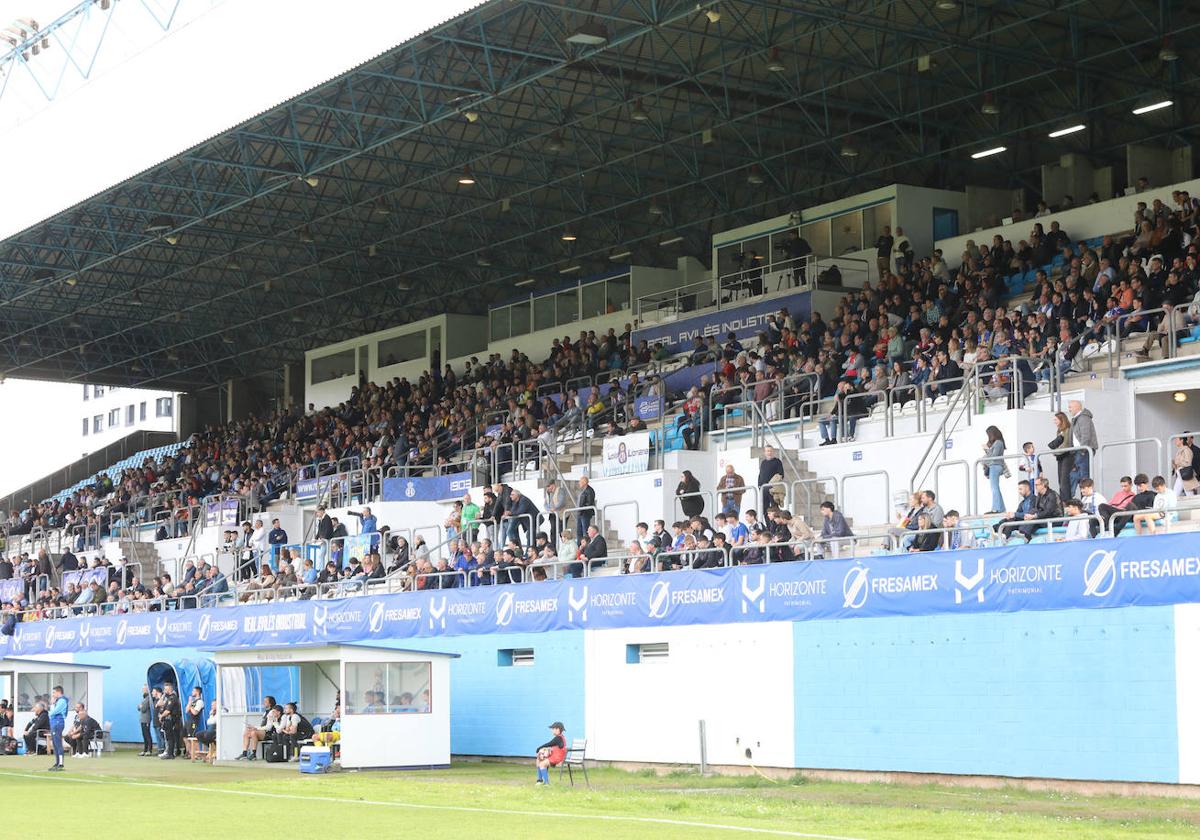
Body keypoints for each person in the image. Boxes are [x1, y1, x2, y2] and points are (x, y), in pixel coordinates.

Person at [239, 694, 277, 760]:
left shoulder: (272, 712)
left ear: (270, 703)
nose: (263, 703)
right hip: (263, 732)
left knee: (253, 733)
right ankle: (244, 753)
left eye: (265, 701)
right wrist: (254, 727)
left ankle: (254, 754)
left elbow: (269, 727)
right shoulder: (265, 713)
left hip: (270, 733)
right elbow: (262, 725)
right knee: (247, 732)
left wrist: (256, 728)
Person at [981, 426, 1007, 513]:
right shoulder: (998, 443)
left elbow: (994, 456)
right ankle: (1001, 507)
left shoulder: (998, 442)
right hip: (995, 465)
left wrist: (987, 451)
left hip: (995, 466)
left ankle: (996, 508)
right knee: (995, 488)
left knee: (994, 488)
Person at [535, 721, 567, 785]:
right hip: (555, 756)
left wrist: (538, 748)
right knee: (538, 760)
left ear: (557, 729)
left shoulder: (558, 738)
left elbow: (549, 744)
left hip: (557, 758)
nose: (552, 730)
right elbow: (556, 746)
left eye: (553, 729)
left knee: (542, 764)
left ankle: (547, 783)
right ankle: (540, 780)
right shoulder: (560, 737)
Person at [757, 445, 784, 512]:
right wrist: (759, 486)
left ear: (773, 452)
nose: (769, 452)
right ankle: (768, 523)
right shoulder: (763, 462)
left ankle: (776, 522)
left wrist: (772, 484)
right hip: (763, 488)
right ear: (765, 452)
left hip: (773, 489)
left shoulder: (777, 461)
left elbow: (781, 474)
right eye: (767, 451)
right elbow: (760, 475)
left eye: (770, 451)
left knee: (775, 508)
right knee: (764, 509)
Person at [159, 682, 182, 759]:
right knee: (168, 737)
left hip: (171, 720)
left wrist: (161, 716)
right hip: (168, 720)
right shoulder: (168, 697)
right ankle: (169, 752)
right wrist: (163, 696)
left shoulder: (172, 698)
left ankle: (170, 754)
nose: (164, 691)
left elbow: (168, 710)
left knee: (170, 737)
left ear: (169, 689)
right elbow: (160, 704)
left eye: (165, 689)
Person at [47, 684, 67, 771]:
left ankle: (61, 763)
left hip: (58, 722)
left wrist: (52, 705)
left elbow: (53, 712)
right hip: (54, 722)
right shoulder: (58, 701)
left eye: (54, 692)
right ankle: (57, 762)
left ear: (59, 692)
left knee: (58, 743)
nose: (53, 694)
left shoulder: (62, 701)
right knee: (55, 744)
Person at [576, 475, 596, 540]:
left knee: (585, 532)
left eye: (580, 481)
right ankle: (580, 547)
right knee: (579, 532)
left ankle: (586, 546)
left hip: (585, 514)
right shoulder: (583, 490)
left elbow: (589, 503)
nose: (579, 483)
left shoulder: (590, 491)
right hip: (581, 513)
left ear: (584, 482)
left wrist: (581, 510)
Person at [138, 684, 155, 756]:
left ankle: (149, 750)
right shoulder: (144, 698)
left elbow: (143, 708)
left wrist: (140, 706)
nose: (143, 690)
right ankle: (145, 749)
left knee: (147, 734)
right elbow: (139, 707)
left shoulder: (148, 699)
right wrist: (140, 706)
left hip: (146, 719)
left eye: (144, 689)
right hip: (142, 719)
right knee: (144, 734)